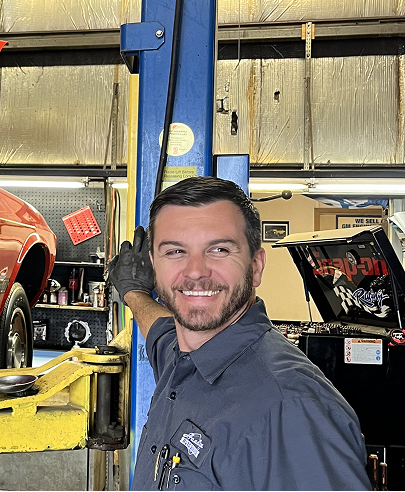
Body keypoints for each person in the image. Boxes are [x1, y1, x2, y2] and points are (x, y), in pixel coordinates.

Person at [107, 176, 371, 491]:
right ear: (153, 265)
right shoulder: (180, 359)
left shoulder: (292, 409)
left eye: (218, 249)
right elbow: (159, 328)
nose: (195, 271)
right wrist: (135, 294)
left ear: (256, 266)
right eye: (175, 251)